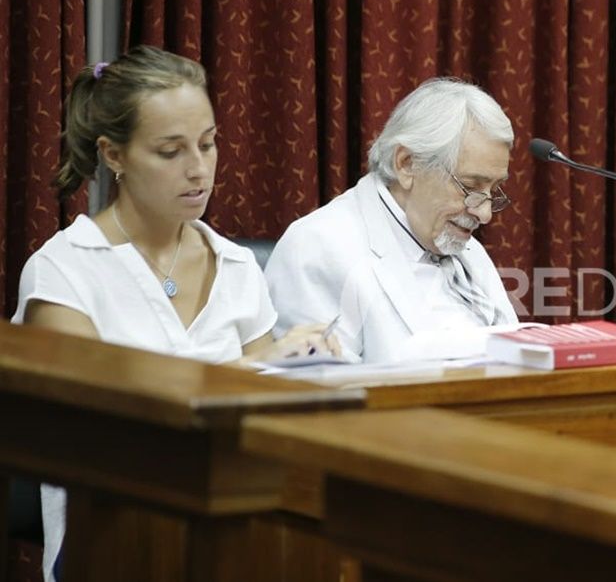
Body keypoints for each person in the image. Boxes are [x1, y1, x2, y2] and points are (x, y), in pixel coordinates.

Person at [11, 45, 335, 582]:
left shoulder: (236, 266)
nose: (198, 169)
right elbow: (94, 434)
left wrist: (305, 367)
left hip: (230, 518)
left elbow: (264, 417)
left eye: (208, 145)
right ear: (113, 155)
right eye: (170, 151)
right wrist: (245, 374)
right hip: (112, 536)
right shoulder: (64, 271)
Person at [266, 77, 517, 362]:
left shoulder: (464, 245)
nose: (484, 214)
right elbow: (322, 392)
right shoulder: (317, 247)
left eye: (493, 191)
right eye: (471, 187)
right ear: (407, 165)